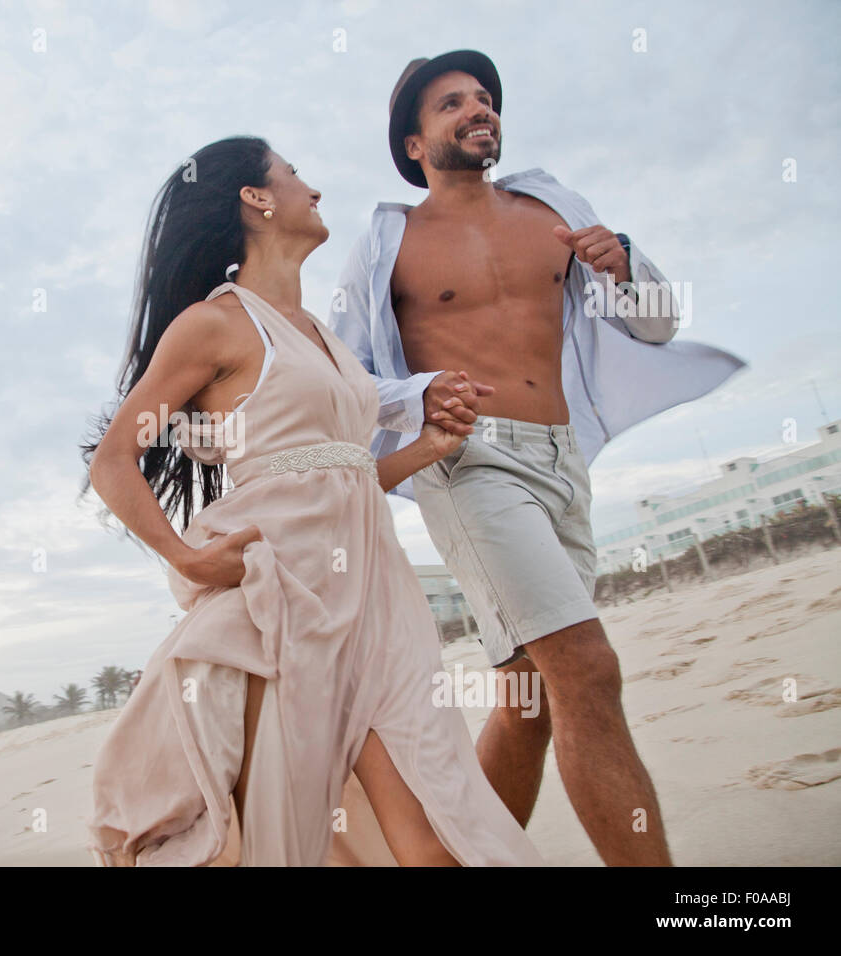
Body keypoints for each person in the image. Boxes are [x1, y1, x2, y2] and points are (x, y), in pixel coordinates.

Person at [329, 50, 747, 866]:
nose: (477, 110)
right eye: (452, 104)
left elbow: (655, 326)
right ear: (415, 143)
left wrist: (626, 261)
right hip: (471, 464)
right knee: (586, 667)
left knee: (530, 699)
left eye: (484, 98)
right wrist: (421, 394)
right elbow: (347, 377)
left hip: (563, 462)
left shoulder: (549, 210)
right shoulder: (390, 244)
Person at [80, 134, 545, 866]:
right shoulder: (213, 325)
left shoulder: (321, 336)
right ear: (256, 198)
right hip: (285, 606)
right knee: (283, 838)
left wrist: (426, 448)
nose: (314, 189)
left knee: (436, 828)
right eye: (294, 175)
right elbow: (114, 460)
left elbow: (341, 478)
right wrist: (187, 558)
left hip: (379, 606)